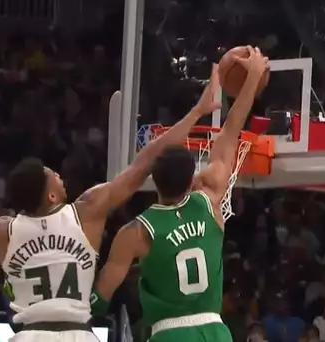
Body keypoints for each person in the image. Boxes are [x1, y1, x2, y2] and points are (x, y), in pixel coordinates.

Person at [0, 65, 222, 342]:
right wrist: (197, 111)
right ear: (50, 195)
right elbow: (146, 162)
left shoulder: (2, 231)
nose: (60, 176)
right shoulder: (86, 211)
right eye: (54, 176)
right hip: (78, 333)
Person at [92, 46, 269, 342]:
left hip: (170, 334)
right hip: (215, 332)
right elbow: (230, 131)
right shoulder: (209, 200)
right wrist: (251, 79)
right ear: (192, 181)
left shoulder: (135, 233)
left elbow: (103, 294)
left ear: (153, 181)